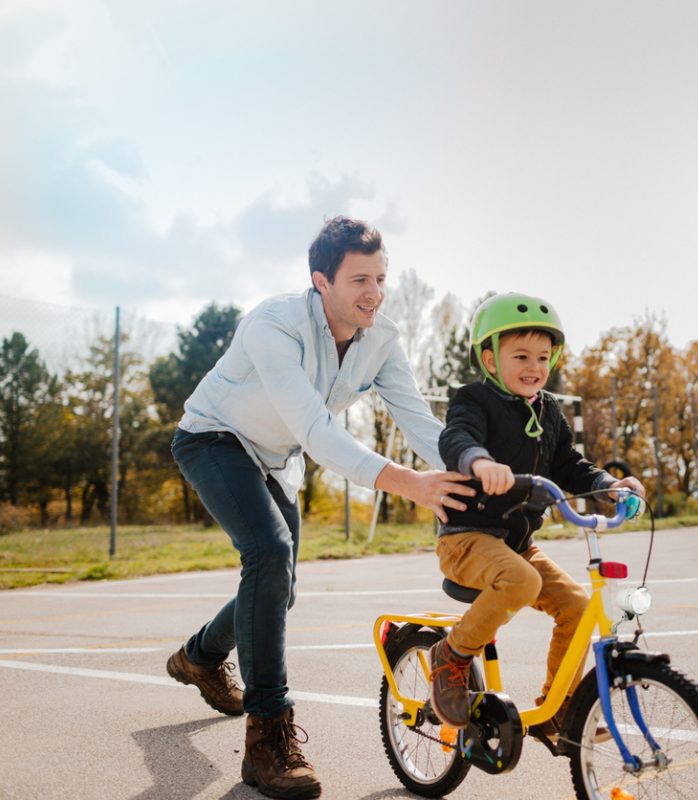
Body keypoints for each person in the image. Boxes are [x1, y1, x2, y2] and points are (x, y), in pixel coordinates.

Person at [166, 216, 474, 800]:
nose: (374, 293)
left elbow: (420, 421)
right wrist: (409, 483)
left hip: (276, 457)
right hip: (214, 437)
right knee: (269, 552)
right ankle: (267, 740)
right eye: (360, 279)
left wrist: (472, 465)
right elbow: (312, 426)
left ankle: (199, 657)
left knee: (278, 584)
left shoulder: (381, 337)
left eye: (382, 278)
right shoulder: (274, 324)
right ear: (320, 282)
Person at [428, 292, 645, 741]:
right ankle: (451, 655)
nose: (534, 366)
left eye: (543, 357)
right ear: (490, 359)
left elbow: (569, 464)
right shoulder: (473, 399)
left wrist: (608, 484)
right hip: (466, 539)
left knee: (579, 606)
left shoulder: (549, 412)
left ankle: (557, 710)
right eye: (521, 355)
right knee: (523, 581)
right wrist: (478, 462)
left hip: (517, 545)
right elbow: (457, 438)